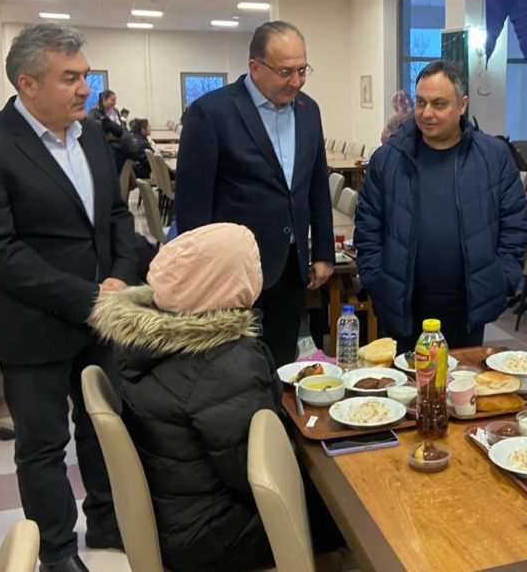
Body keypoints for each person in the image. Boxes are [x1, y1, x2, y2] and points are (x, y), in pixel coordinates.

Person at [0, 23, 137, 572]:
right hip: (32, 326)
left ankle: (107, 522)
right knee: (42, 447)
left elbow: (116, 217)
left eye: (86, 75)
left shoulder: (91, 139)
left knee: (105, 429)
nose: (85, 87)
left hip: (102, 318)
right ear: (28, 84)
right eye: (71, 77)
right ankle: (56, 550)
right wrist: (87, 296)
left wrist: (122, 277)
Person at [91, 222, 340, 571]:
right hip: (212, 534)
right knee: (346, 507)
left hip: (179, 510)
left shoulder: (155, 341)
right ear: (231, 283)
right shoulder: (225, 361)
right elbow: (255, 471)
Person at [175, 20, 334, 366]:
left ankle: (276, 420)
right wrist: (202, 274)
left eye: (302, 70)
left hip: (290, 268)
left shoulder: (309, 110)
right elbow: (192, 207)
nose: (296, 81)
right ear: (255, 68)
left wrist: (322, 251)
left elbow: (316, 185)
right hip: (231, 271)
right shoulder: (212, 113)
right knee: (232, 369)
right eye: (285, 72)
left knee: (280, 364)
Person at [356, 60, 527, 351]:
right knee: (404, 390)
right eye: (421, 102)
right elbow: (368, 226)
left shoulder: (493, 157)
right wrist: (376, 281)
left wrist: (502, 280)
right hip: (401, 303)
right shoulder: (388, 159)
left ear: (462, 105)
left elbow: (515, 224)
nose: (427, 113)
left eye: (439, 104)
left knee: (460, 390)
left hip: (467, 307)